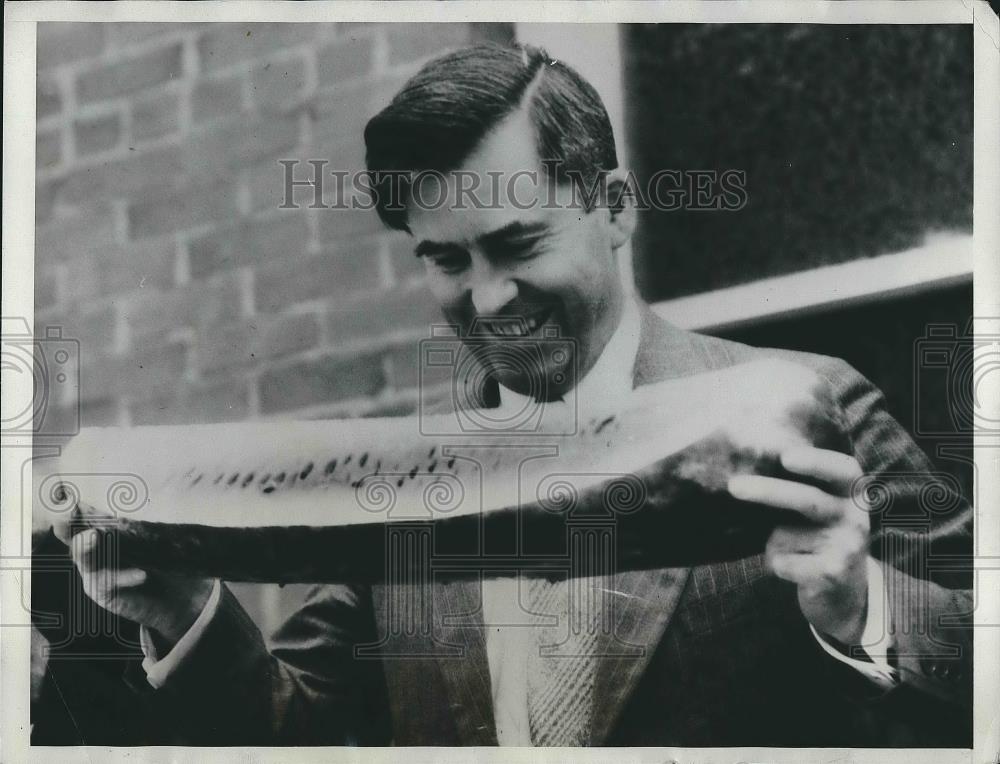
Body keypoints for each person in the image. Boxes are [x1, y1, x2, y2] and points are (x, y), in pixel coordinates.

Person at [65, 43, 972, 747]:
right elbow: (293, 733)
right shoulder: (402, 480)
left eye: (519, 244)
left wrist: (864, 609)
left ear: (615, 206)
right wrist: (185, 616)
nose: (489, 297)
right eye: (447, 259)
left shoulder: (815, 407)